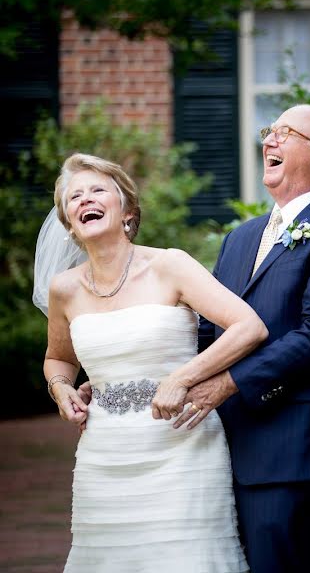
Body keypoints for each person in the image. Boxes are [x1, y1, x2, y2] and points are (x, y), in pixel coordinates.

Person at [36, 152, 267, 572]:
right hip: (104, 456)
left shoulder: (170, 265)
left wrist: (184, 376)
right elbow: (58, 358)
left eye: (97, 190)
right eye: (74, 197)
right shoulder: (64, 289)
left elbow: (248, 327)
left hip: (182, 447)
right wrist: (62, 388)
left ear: (126, 209)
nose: (85, 199)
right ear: (69, 222)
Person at [186, 104, 310, 572]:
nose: (268, 141)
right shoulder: (239, 237)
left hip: (291, 449)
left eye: (284, 134)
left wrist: (229, 382)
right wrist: (131, 377)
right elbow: (209, 330)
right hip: (216, 452)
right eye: (269, 131)